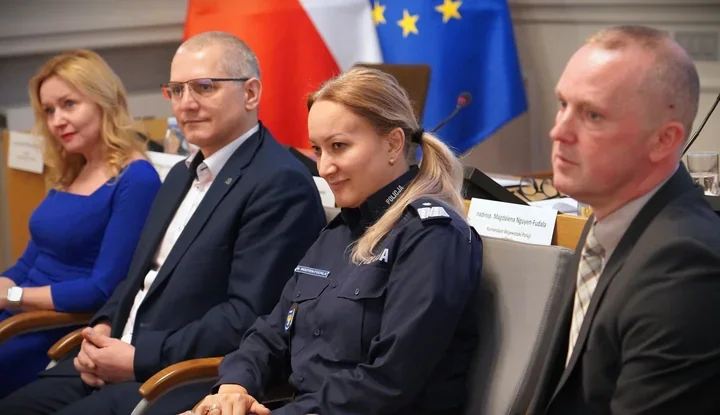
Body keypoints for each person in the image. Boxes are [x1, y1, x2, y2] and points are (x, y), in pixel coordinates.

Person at [0, 31, 326, 414]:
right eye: (176, 90)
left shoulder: (279, 183)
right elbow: (134, 278)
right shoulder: (179, 175)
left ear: (250, 93)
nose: (186, 103)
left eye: (204, 87)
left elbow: (247, 319)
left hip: (176, 375)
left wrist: (138, 357)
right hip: (115, 357)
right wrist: (103, 326)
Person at [189, 66, 483, 415]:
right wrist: (234, 387)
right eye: (318, 150)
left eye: (339, 146)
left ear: (393, 143)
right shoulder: (340, 231)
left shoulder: (432, 236)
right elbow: (272, 332)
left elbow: (387, 384)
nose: (324, 167)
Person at [527, 25, 720, 414]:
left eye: (592, 115)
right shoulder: (609, 223)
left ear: (663, 140)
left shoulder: (685, 268)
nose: (559, 131)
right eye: (563, 104)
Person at [0, 49, 161, 397]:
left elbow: (102, 289)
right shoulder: (73, 169)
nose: (57, 120)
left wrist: (12, 295)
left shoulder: (136, 179)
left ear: (104, 101)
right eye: (49, 110)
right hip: (19, 314)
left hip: (53, 328)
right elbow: (29, 262)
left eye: (69, 104)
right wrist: (3, 286)